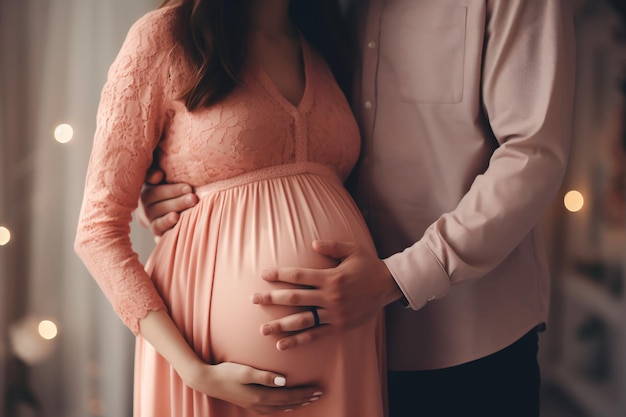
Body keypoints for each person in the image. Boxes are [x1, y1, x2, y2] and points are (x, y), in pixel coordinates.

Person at [141, 1, 576, 416]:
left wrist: (396, 279)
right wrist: (181, 191)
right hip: (344, 355)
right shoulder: (313, 10)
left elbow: (531, 155)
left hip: (471, 339)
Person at [74, 0, 387, 416]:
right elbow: (97, 231)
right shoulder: (164, 37)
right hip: (209, 370)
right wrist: (194, 371)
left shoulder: (326, 39)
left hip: (346, 356)